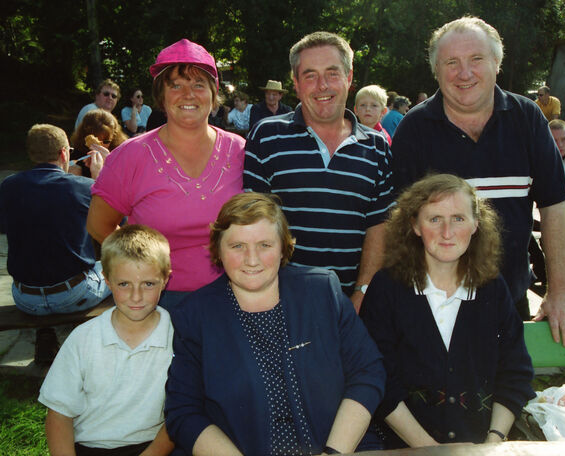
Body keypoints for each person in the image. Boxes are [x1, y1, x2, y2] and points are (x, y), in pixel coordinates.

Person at [391, 16, 565, 347]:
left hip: (511, 300)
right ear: (437, 71)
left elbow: (553, 205)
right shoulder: (414, 128)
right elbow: (400, 226)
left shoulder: (527, 118)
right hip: (435, 306)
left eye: (476, 59)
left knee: (512, 394)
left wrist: (560, 292)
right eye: (452, 62)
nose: (464, 73)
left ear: (497, 63)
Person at [165, 192, 385, 456]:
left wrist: (334, 452)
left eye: (265, 245)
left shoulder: (322, 291)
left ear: (282, 247)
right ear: (218, 250)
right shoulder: (195, 314)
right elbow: (183, 411)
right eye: (237, 246)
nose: (252, 259)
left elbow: (368, 372)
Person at [360, 174, 535, 448]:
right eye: (434, 219)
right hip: (401, 447)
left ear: (476, 224)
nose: (447, 232)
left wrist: (493, 442)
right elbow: (377, 379)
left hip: (482, 446)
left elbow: (515, 371)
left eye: (458, 218)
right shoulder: (387, 288)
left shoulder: (492, 288)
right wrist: (431, 450)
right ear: (415, 226)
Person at [87, 38, 245, 309]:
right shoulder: (130, 156)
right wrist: (141, 267)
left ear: (213, 93)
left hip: (235, 295)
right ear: (161, 95)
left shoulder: (241, 152)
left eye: (198, 85)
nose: (188, 94)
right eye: (176, 85)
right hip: (160, 302)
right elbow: (98, 225)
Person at [244, 31, 395, 312]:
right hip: (279, 303)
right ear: (296, 84)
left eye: (332, 73)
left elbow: (379, 228)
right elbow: (254, 222)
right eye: (310, 75)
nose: (322, 85)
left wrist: (361, 295)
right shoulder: (266, 136)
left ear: (349, 79)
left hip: (351, 307)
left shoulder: (377, 147)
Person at [39, 224, 175, 455]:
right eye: (124, 284)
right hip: (89, 446)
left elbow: (182, 412)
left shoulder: (178, 337)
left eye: (148, 284)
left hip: (153, 447)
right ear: (107, 281)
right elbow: (59, 415)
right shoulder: (83, 339)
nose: (136, 296)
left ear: (165, 279)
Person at [0, 124, 109, 364]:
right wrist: (101, 179)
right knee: (115, 269)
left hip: (25, 297)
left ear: (32, 154)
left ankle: (46, 335)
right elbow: (115, 224)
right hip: (74, 294)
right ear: (63, 153)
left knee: (44, 259)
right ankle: (95, 347)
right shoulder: (84, 187)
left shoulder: (8, 186)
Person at [70, 109, 128, 179]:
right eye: (94, 142)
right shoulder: (76, 156)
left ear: (114, 138)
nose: (100, 146)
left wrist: (109, 164)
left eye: (106, 141)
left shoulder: (121, 155)